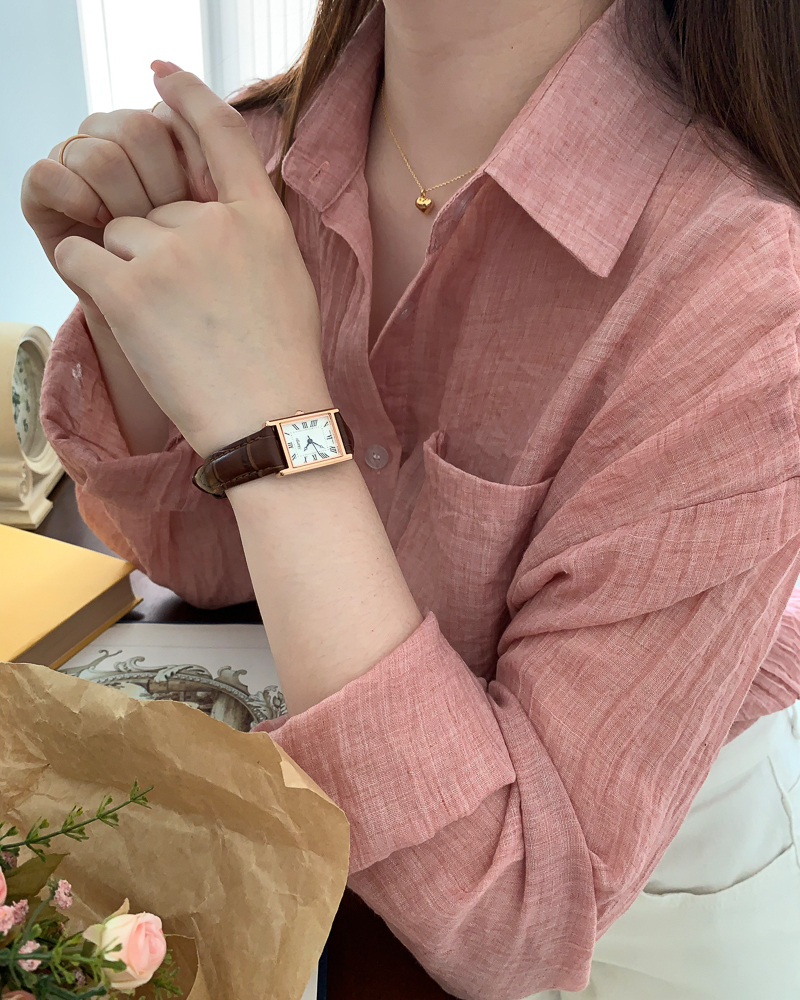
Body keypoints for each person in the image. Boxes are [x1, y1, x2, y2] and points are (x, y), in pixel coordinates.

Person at [20, 0, 800, 995]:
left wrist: (274, 420)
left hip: (652, 910)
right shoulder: (259, 148)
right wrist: (135, 304)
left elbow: (516, 917)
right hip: (323, 871)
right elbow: (208, 561)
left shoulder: (741, 286)